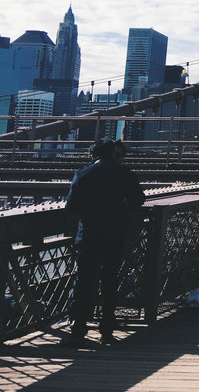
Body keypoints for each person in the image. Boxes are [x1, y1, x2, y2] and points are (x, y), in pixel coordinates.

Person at [63, 140, 145, 348]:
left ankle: (77, 332)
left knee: (83, 285)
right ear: (111, 154)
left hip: (88, 237)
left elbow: (71, 206)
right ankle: (106, 332)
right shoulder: (125, 174)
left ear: (94, 155)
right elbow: (138, 201)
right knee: (109, 284)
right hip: (115, 236)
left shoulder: (82, 174)